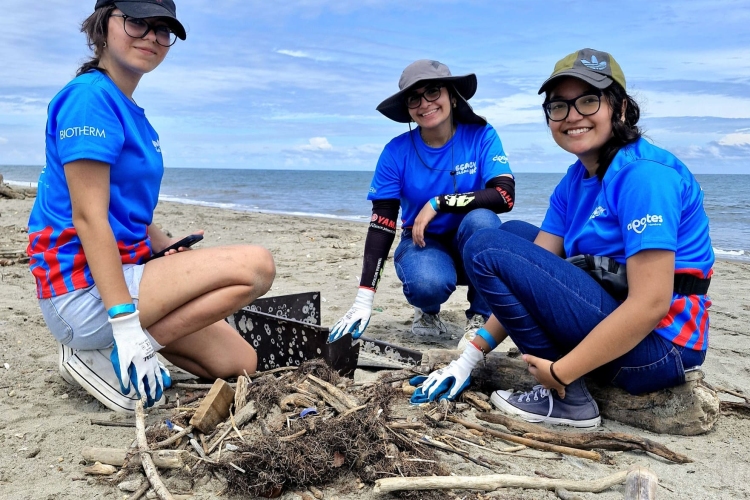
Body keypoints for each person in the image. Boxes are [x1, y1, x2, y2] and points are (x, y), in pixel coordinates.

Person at [410, 48, 713, 428]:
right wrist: (468, 358)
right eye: (559, 107)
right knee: (513, 235)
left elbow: (651, 303)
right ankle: (567, 386)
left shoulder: (643, 176)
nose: (572, 117)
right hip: (618, 324)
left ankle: (566, 400)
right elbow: (527, 271)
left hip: (661, 349)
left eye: (588, 101)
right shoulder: (576, 179)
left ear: (619, 109)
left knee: (486, 246)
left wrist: (561, 371)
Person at [27, 0, 275, 412]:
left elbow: (125, 213)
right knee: (257, 265)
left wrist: (166, 247)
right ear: (103, 24)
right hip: (81, 290)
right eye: (138, 22)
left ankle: (128, 344)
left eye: (163, 30)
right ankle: (111, 348)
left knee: (239, 362)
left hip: (127, 270)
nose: (152, 37)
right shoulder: (89, 98)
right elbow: (88, 217)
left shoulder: (133, 113)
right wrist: (125, 325)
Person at [328, 59, 515, 345]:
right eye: (414, 97)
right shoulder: (395, 152)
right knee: (428, 283)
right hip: (423, 243)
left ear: (452, 95)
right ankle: (427, 310)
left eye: (433, 92)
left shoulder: (481, 136)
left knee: (483, 220)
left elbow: (504, 196)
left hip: (471, 243)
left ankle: (479, 315)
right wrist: (364, 298)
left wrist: (440, 202)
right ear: (407, 109)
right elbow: (382, 224)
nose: (424, 103)